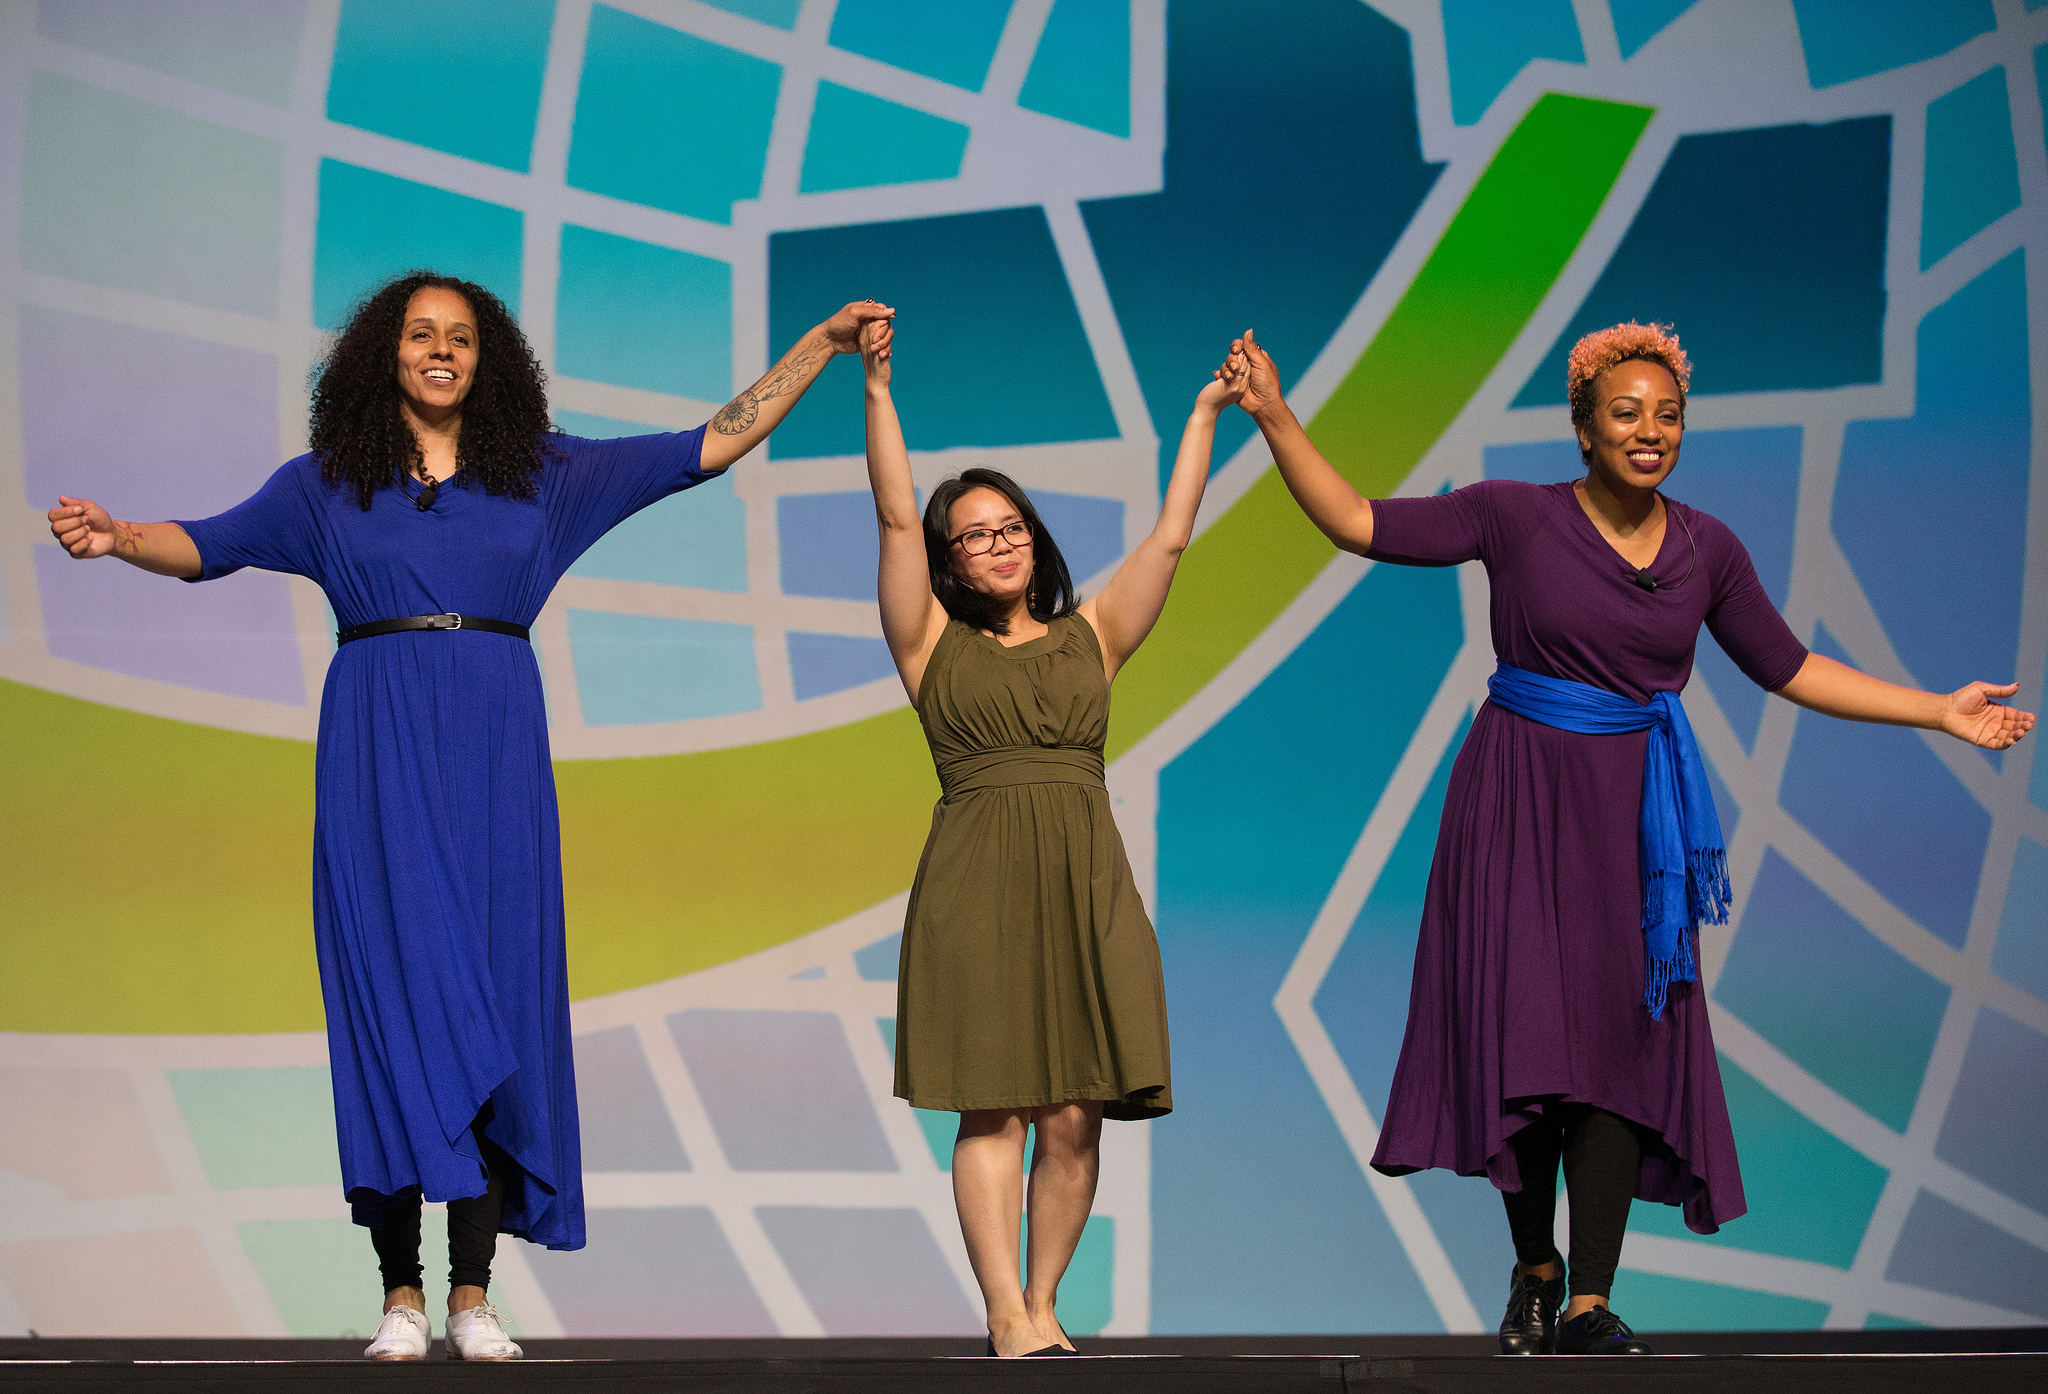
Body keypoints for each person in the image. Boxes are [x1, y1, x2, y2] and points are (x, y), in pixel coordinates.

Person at [47, 271, 893, 1361]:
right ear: (382, 356)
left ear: (485, 359)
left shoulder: (545, 474)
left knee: (494, 1000)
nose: (439, 349)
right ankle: (399, 1293)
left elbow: (709, 444)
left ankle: (472, 1293)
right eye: (418, 334)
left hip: (495, 755)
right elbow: (207, 543)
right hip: (377, 754)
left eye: (459, 336)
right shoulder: (325, 486)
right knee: (396, 1008)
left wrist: (820, 345)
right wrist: (119, 535)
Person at [1222, 321, 2033, 1355]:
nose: (1649, 431)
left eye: (1667, 415)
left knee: (1612, 1043)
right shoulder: (1511, 515)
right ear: (1583, 430)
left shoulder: (1707, 547)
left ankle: (1589, 1299)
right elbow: (1354, 522)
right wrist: (1274, 413)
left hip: (1632, 821)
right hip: (1514, 799)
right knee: (1526, 1041)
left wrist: (1937, 709)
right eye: (1625, 414)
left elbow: (1786, 666)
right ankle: (1533, 1262)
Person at [858, 316, 1247, 1355]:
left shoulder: (1095, 637)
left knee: (1076, 1111)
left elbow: (1168, 533)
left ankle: (1042, 1301)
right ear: (948, 559)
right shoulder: (928, 640)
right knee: (993, 1107)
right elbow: (896, 519)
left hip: (1085, 878)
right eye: (974, 533)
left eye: (1011, 525)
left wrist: (1206, 413)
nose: (998, 542)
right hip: (977, 880)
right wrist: (878, 390)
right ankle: (999, 1310)